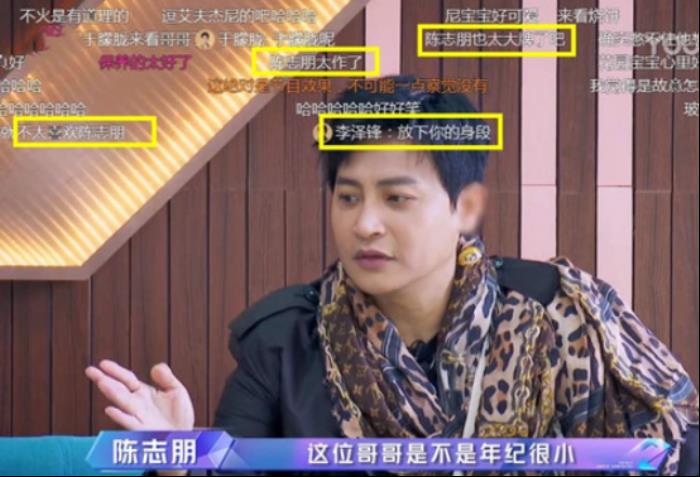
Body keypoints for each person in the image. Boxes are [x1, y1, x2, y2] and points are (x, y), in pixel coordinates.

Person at [85, 76, 699, 475]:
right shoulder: (281, 342)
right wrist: (180, 456)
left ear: (464, 207)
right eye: (348, 197)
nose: (365, 224)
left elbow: (674, 451)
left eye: (396, 198)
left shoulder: (562, 317)